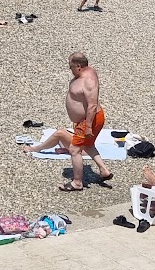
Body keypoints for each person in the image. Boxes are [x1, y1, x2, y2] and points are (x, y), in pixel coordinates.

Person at [26, 52, 113, 192]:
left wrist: (88, 127)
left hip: (89, 119)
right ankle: (104, 170)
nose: (70, 69)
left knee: (74, 149)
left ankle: (77, 182)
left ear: (78, 66)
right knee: (88, 144)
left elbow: (91, 105)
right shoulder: (89, 71)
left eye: (71, 66)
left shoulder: (88, 80)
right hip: (89, 118)